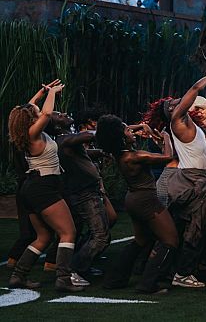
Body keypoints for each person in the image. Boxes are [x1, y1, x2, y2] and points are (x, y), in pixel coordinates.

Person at [143, 73, 206, 289]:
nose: (176, 103)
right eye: (172, 104)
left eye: (177, 101)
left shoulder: (190, 127)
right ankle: (182, 273)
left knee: (180, 228)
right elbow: (195, 88)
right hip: (190, 180)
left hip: (192, 179)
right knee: (195, 228)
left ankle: (168, 271)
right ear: (170, 112)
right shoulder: (177, 120)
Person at [7, 79, 83, 292]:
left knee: (44, 236)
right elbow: (47, 114)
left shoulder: (24, 131)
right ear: (32, 117)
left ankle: (18, 276)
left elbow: (28, 109)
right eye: (35, 110)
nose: (39, 110)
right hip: (44, 187)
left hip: (30, 187)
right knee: (68, 232)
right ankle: (63, 279)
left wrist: (41, 93)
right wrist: (54, 92)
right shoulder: (33, 133)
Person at [97, 117, 179, 294]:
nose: (132, 132)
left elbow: (122, 130)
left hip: (133, 198)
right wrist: (165, 136)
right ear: (121, 137)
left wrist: (140, 126)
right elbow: (168, 157)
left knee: (141, 240)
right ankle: (148, 284)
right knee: (170, 240)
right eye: (128, 131)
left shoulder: (120, 153)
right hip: (146, 200)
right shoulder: (134, 156)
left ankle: (115, 279)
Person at [54, 111, 110, 287]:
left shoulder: (68, 141)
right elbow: (87, 135)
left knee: (93, 232)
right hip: (84, 193)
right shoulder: (64, 140)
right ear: (57, 126)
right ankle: (73, 270)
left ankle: (82, 266)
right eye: (59, 115)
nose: (64, 113)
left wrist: (101, 153)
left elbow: (83, 153)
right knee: (101, 236)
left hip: (86, 191)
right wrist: (111, 129)